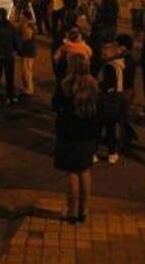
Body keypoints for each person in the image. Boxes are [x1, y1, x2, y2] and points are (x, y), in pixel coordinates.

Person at [52, 55, 100, 224]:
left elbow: (55, 106)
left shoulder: (65, 86)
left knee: (72, 172)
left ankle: (72, 210)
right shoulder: (93, 85)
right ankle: (84, 209)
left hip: (69, 132)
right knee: (85, 170)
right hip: (88, 133)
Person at [98, 37, 126, 164]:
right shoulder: (119, 66)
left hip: (107, 99)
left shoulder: (109, 67)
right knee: (111, 127)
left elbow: (108, 84)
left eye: (105, 51)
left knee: (101, 126)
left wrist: (99, 85)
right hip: (116, 99)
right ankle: (112, 153)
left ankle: (99, 152)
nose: (102, 52)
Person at [0, 7, 20, 105]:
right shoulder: (11, 28)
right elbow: (17, 41)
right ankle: (10, 96)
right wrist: (15, 50)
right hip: (9, 55)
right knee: (9, 77)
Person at [17, 9, 37, 100]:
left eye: (22, 15)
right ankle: (27, 88)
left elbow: (27, 37)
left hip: (28, 50)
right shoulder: (28, 24)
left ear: (25, 17)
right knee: (25, 70)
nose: (20, 17)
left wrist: (18, 39)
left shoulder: (28, 25)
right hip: (27, 50)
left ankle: (29, 89)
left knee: (26, 70)